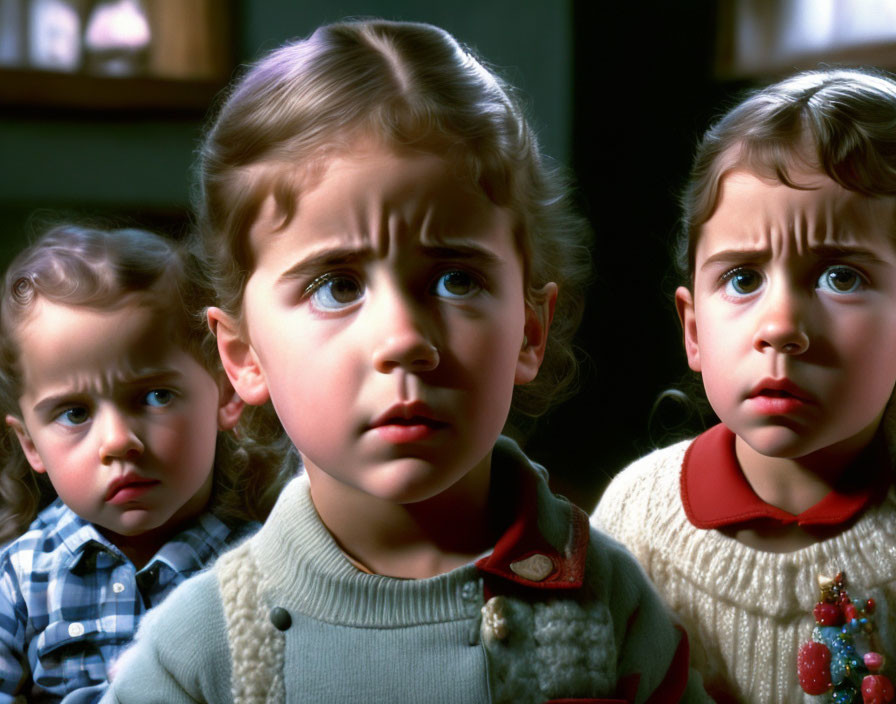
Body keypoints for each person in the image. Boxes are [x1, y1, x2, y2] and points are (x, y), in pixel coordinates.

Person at [105, 19, 710, 704]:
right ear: (243, 356)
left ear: (529, 332)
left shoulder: (610, 607)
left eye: (456, 280)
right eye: (336, 286)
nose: (402, 338)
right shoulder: (196, 657)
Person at [593, 67, 896, 703]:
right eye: (742, 278)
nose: (781, 327)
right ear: (694, 328)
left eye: (840, 277)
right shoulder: (637, 520)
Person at [0, 225, 294, 703]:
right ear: (30, 443)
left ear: (224, 392)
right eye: (75, 413)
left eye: (155, 397)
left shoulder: (266, 563)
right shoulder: (19, 579)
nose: (118, 442)